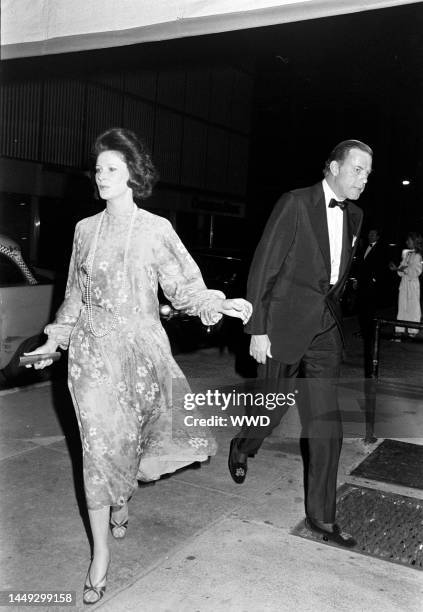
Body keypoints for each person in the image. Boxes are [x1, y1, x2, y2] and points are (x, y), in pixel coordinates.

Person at [24, 127, 252, 605]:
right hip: (91, 358)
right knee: (97, 449)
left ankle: (121, 493)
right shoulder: (84, 230)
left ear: (133, 174)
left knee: (133, 441)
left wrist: (217, 303)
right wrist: (54, 341)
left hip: (142, 353)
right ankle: (100, 555)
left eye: (111, 169)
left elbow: (184, 285)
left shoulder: (155, 229)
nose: (101, 177)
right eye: (98, 169)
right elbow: (74, 297)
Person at [228, 139, 373, 548]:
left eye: (367, 173)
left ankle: (322, 518)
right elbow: (264, 265)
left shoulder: (356, 215)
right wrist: (257, 327)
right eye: (357, 169)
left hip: (326, 328)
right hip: (281, 327)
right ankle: (243, 445)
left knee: (327, 421)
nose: (363, 178)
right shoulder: (294, 203)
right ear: (333, 167)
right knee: (269, 410)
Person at [356, 228, 389, 375]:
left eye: (373, 234)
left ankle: (368, 332)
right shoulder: (364, 248)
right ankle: (363, 330)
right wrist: (357, 280)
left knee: (369, 308)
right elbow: (361, 265)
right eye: (369, 234)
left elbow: (382, 266)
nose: (370, 236)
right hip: (362, 283)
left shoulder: (381, 249)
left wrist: (374, 279)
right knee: (361, 307)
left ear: (378, 236)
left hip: (371, 284)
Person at [389, 232, 423, 340]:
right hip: (404, 283)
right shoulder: (407, 254)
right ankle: (400, 329)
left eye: (409, 240)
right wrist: (397, 268)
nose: (406, 242)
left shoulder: (418, 255)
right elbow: (401, 269)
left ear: (415, 241)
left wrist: (402, 269)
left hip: (412, 284)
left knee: (413, 307)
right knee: (402, 305)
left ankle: (413, 330)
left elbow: (416, 271)